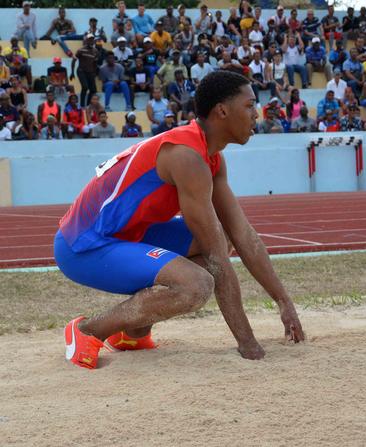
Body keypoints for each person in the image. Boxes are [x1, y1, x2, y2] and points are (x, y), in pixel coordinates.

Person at [57, 71, 304, 369]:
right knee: (195, 284)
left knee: (223, 237)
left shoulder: (211, 157)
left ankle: (133, 332)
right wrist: (248, 342)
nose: (257, 114)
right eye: (250, 105)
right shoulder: (186, 156)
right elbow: (216, 260)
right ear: (222, 111)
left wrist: (284, 302)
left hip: (128, 235)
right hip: (83, 245)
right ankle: (88, 330)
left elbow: (241, 233)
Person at [71, 34, 98, 107]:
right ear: (86, 40)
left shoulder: (95, 51)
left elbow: (95, 63)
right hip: (81, 71)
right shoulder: (81, 50)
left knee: (93, 90)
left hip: (90, 72)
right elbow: (74, 60)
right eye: (89, 39)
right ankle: (82, 106)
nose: (91, 41)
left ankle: (88, 105)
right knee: (85, 87)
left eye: (92, 39)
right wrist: (72, 72)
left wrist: (94, 73)